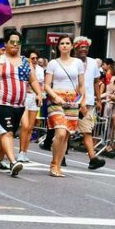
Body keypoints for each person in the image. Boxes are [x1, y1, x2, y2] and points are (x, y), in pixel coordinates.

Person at [0, 30, 40, 176]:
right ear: (6, 44)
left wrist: (39, 93)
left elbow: (33, 80)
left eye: (18, 42)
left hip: (19, 105)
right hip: (1, 103)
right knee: (7, 132)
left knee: (6, 132)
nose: (15, 45)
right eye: (12, 42)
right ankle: (13, 162)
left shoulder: (26, 62)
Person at [44, 35, 85, 177]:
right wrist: (55, 97)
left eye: (67, 43)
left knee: (66, 136)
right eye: (62, 43)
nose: (65, 45)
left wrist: (82, 101)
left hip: (72, 100)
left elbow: (81, 84)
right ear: (58, 46)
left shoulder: (78, 63)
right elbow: (47, 85)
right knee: (60, 132)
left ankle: (59, 166)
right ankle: (53, 164)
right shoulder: (53, 63)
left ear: (72, 46)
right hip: (56, 100)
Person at [73, 36, 106, 170]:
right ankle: (60, 156)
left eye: (86, 47)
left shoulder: (93, 63)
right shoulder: (71, 61)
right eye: (81, 47)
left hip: (88, 102)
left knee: (87, 130)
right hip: (72, 101)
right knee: (66, 130)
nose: (84, 49)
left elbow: (96, 82)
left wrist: (99, 100)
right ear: (75, 48)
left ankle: (93, 159)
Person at [18, 49, 45, 162]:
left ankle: (24, 152)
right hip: (24, 97)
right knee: (24, 126)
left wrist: (40, 95)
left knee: (30, 128)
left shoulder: (40, 70)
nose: (35, 60)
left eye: (36, 58)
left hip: (35, 98)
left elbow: (41, 85)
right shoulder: (23, 67)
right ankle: (20, 152)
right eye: (32, 58)